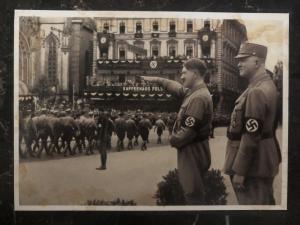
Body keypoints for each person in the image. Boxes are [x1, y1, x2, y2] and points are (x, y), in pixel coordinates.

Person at [141, 58, 213, 204]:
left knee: (192, 192)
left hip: (192, 150)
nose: (181, 77)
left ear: (195, 73)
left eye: (184, 73)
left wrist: (172, 139)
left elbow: (188, 131)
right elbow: (177, 88)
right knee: (192, 188)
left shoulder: (198, 97)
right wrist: (157, 79)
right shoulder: (194, 92)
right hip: (194, 148)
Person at [223, 42, 281, 205]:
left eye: (243, 59)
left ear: (257, 62)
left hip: (253, 167)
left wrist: (240, 171)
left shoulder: (257, 91)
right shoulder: (266, 85)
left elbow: (251, 136)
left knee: (253, 212)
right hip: (261, 160)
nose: (238, 63)